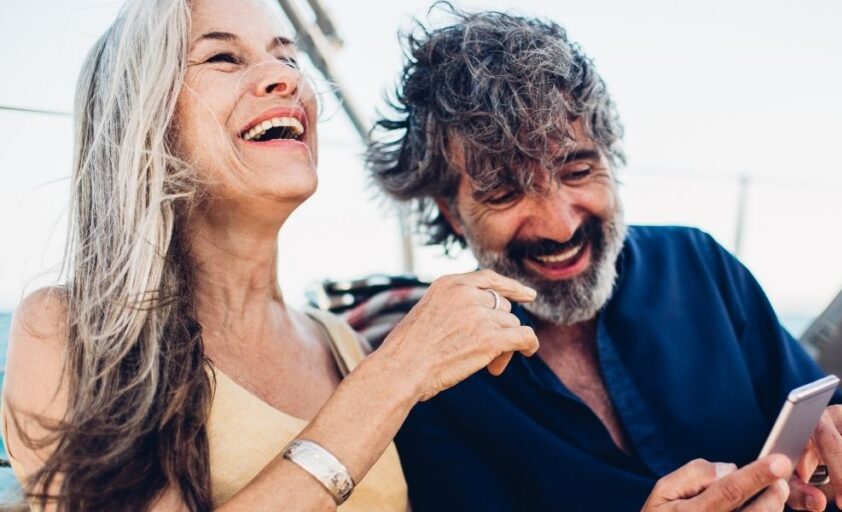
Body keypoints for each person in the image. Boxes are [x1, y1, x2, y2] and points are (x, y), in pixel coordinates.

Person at [367, 7, 842, 512]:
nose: (559, 221)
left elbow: (823, 441)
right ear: (453, 212)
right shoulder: (431, 379)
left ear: (611, 159)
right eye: (507, 191)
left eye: (577, 169)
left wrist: (830, 457)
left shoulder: (697, 265)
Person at [0, 0, 544, 510]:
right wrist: (394, 378)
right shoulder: (70, 330)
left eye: (287, 55)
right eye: (222, 56)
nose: (286, 78)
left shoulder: (344, 346)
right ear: (145, 120)